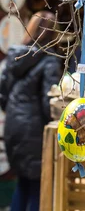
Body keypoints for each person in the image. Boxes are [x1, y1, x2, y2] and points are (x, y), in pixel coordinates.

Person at [0, 11, 62, 211]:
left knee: (23, 183)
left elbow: (3, 92)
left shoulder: (14, 56)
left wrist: (14, 114)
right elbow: (48, 102)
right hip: (36, 132)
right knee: (37, 187)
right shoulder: (49, 61)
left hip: (13, 127)